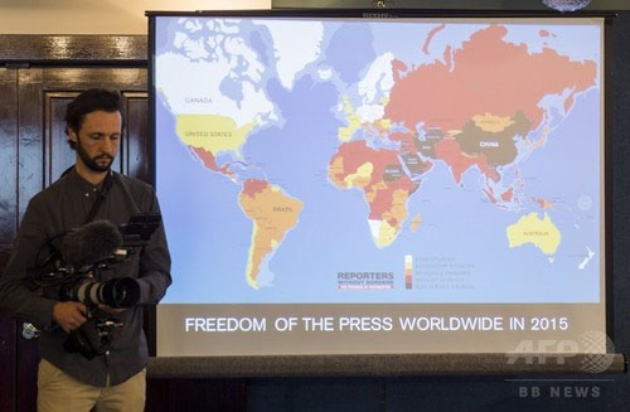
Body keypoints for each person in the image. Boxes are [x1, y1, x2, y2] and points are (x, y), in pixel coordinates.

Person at [0, 89, 171, 412]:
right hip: (66, 369)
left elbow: (161, 274)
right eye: (96, 137)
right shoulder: (46, 206)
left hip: (128, 368)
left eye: (114, 137)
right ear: (72, 133)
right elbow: (9, 290)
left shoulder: (142, 197)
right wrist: (54, 310)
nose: (107, 147)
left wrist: (134, 291)